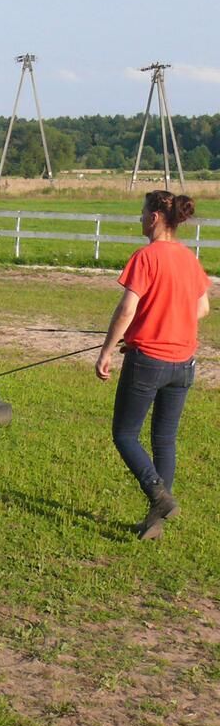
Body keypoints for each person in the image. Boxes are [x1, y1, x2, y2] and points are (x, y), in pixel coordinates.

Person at [95, 190, 211, 540]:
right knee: (164, 441)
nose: (140, 218)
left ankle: (158, 496)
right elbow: (202, 308)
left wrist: (107, 349)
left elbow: (127, 309)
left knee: (124, 434)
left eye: (142, 212)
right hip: (183, 363)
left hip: (149, 362)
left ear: (156, 217)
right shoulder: (188, 259)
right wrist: (168, 320)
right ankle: (155, 523)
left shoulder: (145, 257)